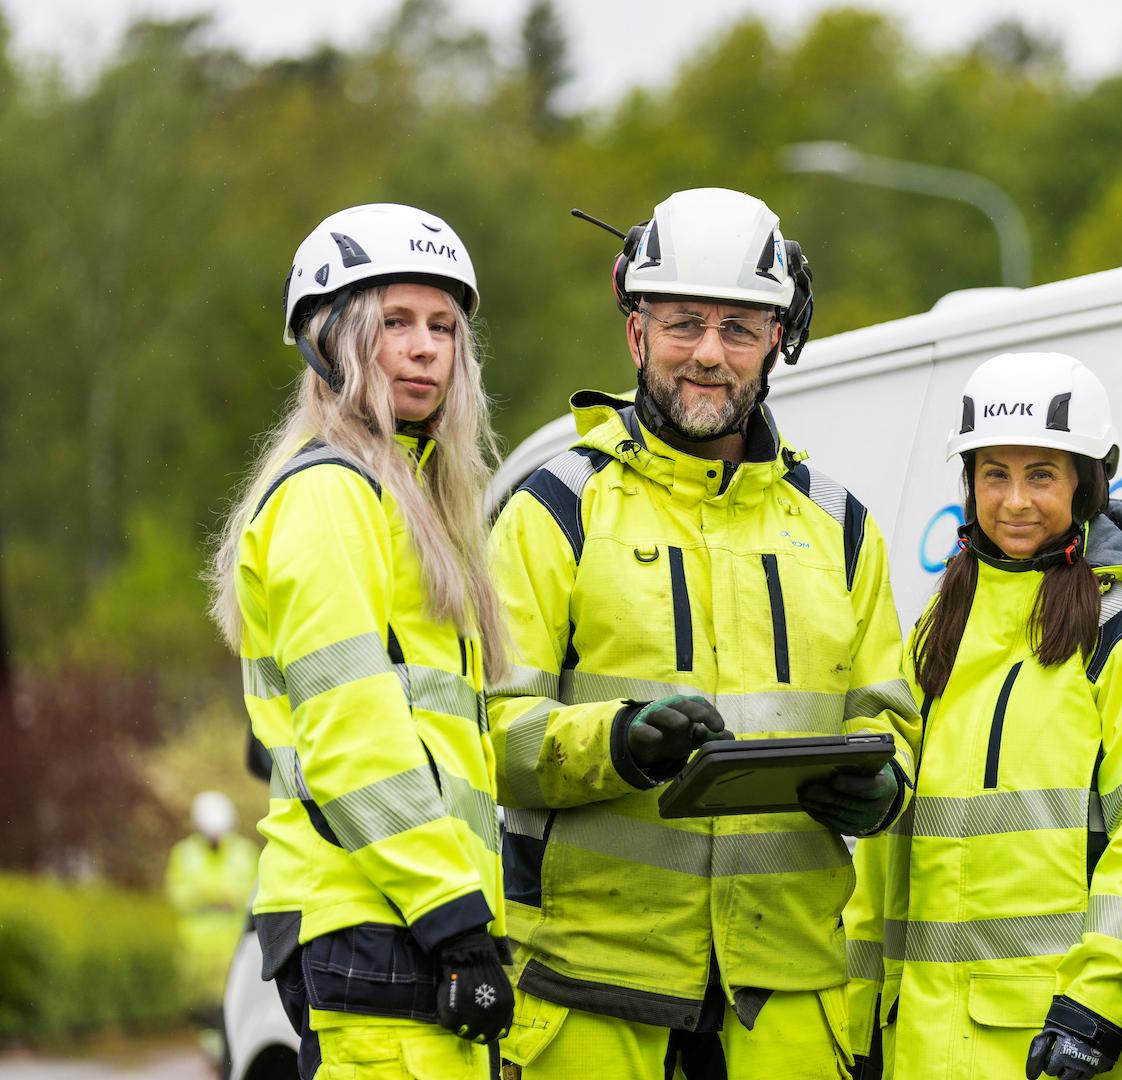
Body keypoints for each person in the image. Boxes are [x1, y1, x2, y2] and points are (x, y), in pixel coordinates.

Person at [486, 186, 922, 1079]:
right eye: (685, 323)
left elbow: (896, 723)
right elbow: (483, 731)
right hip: (590, 989)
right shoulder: (555, 510)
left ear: (777, 341)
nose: (710, 357)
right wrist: (618, 743)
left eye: (740, 328)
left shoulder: (840, 529)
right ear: (637, 330)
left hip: (786, 1000)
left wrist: (884, 790)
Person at [208, 203, 515, 1080]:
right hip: (378, 919)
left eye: (443, 326)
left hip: (402, 915)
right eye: (394, 322)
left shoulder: (411, 501)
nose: (425, 347)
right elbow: (354, 741)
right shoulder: (331, 497)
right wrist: (455, 922)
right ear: (331, 338)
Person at [844, 353, 1122, 1080]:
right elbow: (886, 854)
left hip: (1063, 1045)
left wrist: (1094, 1010)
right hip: (921, 1040)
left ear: (1087, 483)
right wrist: (858, 1013)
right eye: (993, 474)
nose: (1015, 501)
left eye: (1042, 474)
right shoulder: (943, 622)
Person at [165, 791, 258, 1014]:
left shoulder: (246, 852)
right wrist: (217, 896)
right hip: (196, 949)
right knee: (203, 1006)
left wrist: (214, 897)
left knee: (235, 1004)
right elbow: (176, 894)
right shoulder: (184, 853)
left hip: (237, 945)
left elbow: (257, 892)